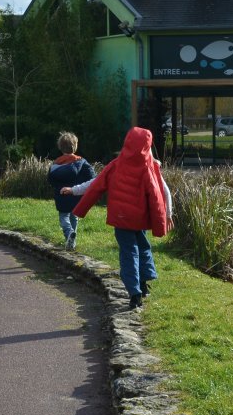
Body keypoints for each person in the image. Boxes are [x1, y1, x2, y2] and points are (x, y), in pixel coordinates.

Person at [65, 126, 171, 307]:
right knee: (143, 247)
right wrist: (166, 215)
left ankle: (134, 291)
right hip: (140, 219)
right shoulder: (149, 168)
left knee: (129, 252)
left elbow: (95, 186)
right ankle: (144, 284)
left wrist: (78, 204)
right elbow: (161, 193)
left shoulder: (115, 165)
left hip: (121, 218)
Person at [47, 130, 95, 250]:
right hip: (76, 195)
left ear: (60, 147)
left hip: (62, 195)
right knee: (74, 216)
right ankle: (72, 241)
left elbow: (50, 179)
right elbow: (92, 176)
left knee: (64, 217)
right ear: (75, 146)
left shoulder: (55, 165)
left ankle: (69, 234)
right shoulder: (82, 162)